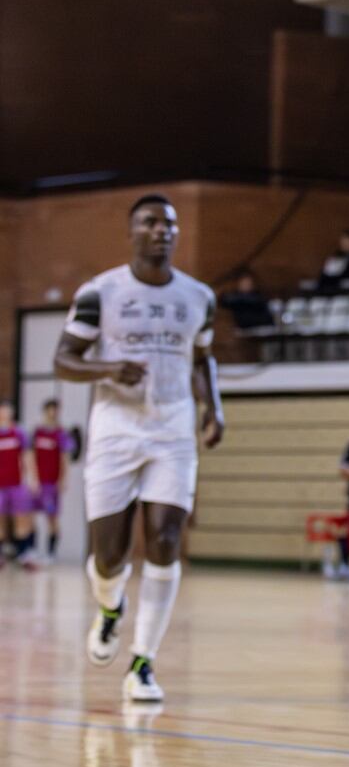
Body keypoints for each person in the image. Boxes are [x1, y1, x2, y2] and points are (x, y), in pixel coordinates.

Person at [56, 193, 224, 704]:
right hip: (115, 429)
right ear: (131, 232)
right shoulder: (100, 293)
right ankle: (110, 609)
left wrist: (213, 408)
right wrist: (108, 368)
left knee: (165, 539)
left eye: (168, 224)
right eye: (150, 222)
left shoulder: (198, 297)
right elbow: (64, 359)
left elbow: (202, 358)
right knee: (109, 556)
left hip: (173, 429)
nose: (160, 230)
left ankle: (143, 663)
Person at [30, 399, 72, 564]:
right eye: (50, 410)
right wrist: (33, 477)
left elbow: (65, 459)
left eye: (56, 410)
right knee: (30, 515)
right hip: (38, 482)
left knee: (52, 518)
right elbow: (31, 456)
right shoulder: (37, 432)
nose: (53, 413)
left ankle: (51, 552)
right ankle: (31, 550)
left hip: (52, 483)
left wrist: (63, 480)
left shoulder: (61, 434)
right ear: (45, 411)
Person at [0, 403, 35, 569]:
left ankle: (23, 554)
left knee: (21, 517)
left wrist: (32, 478)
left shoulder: (19, 432)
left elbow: (27, 456)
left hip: (17, 483)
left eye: (8, 411)